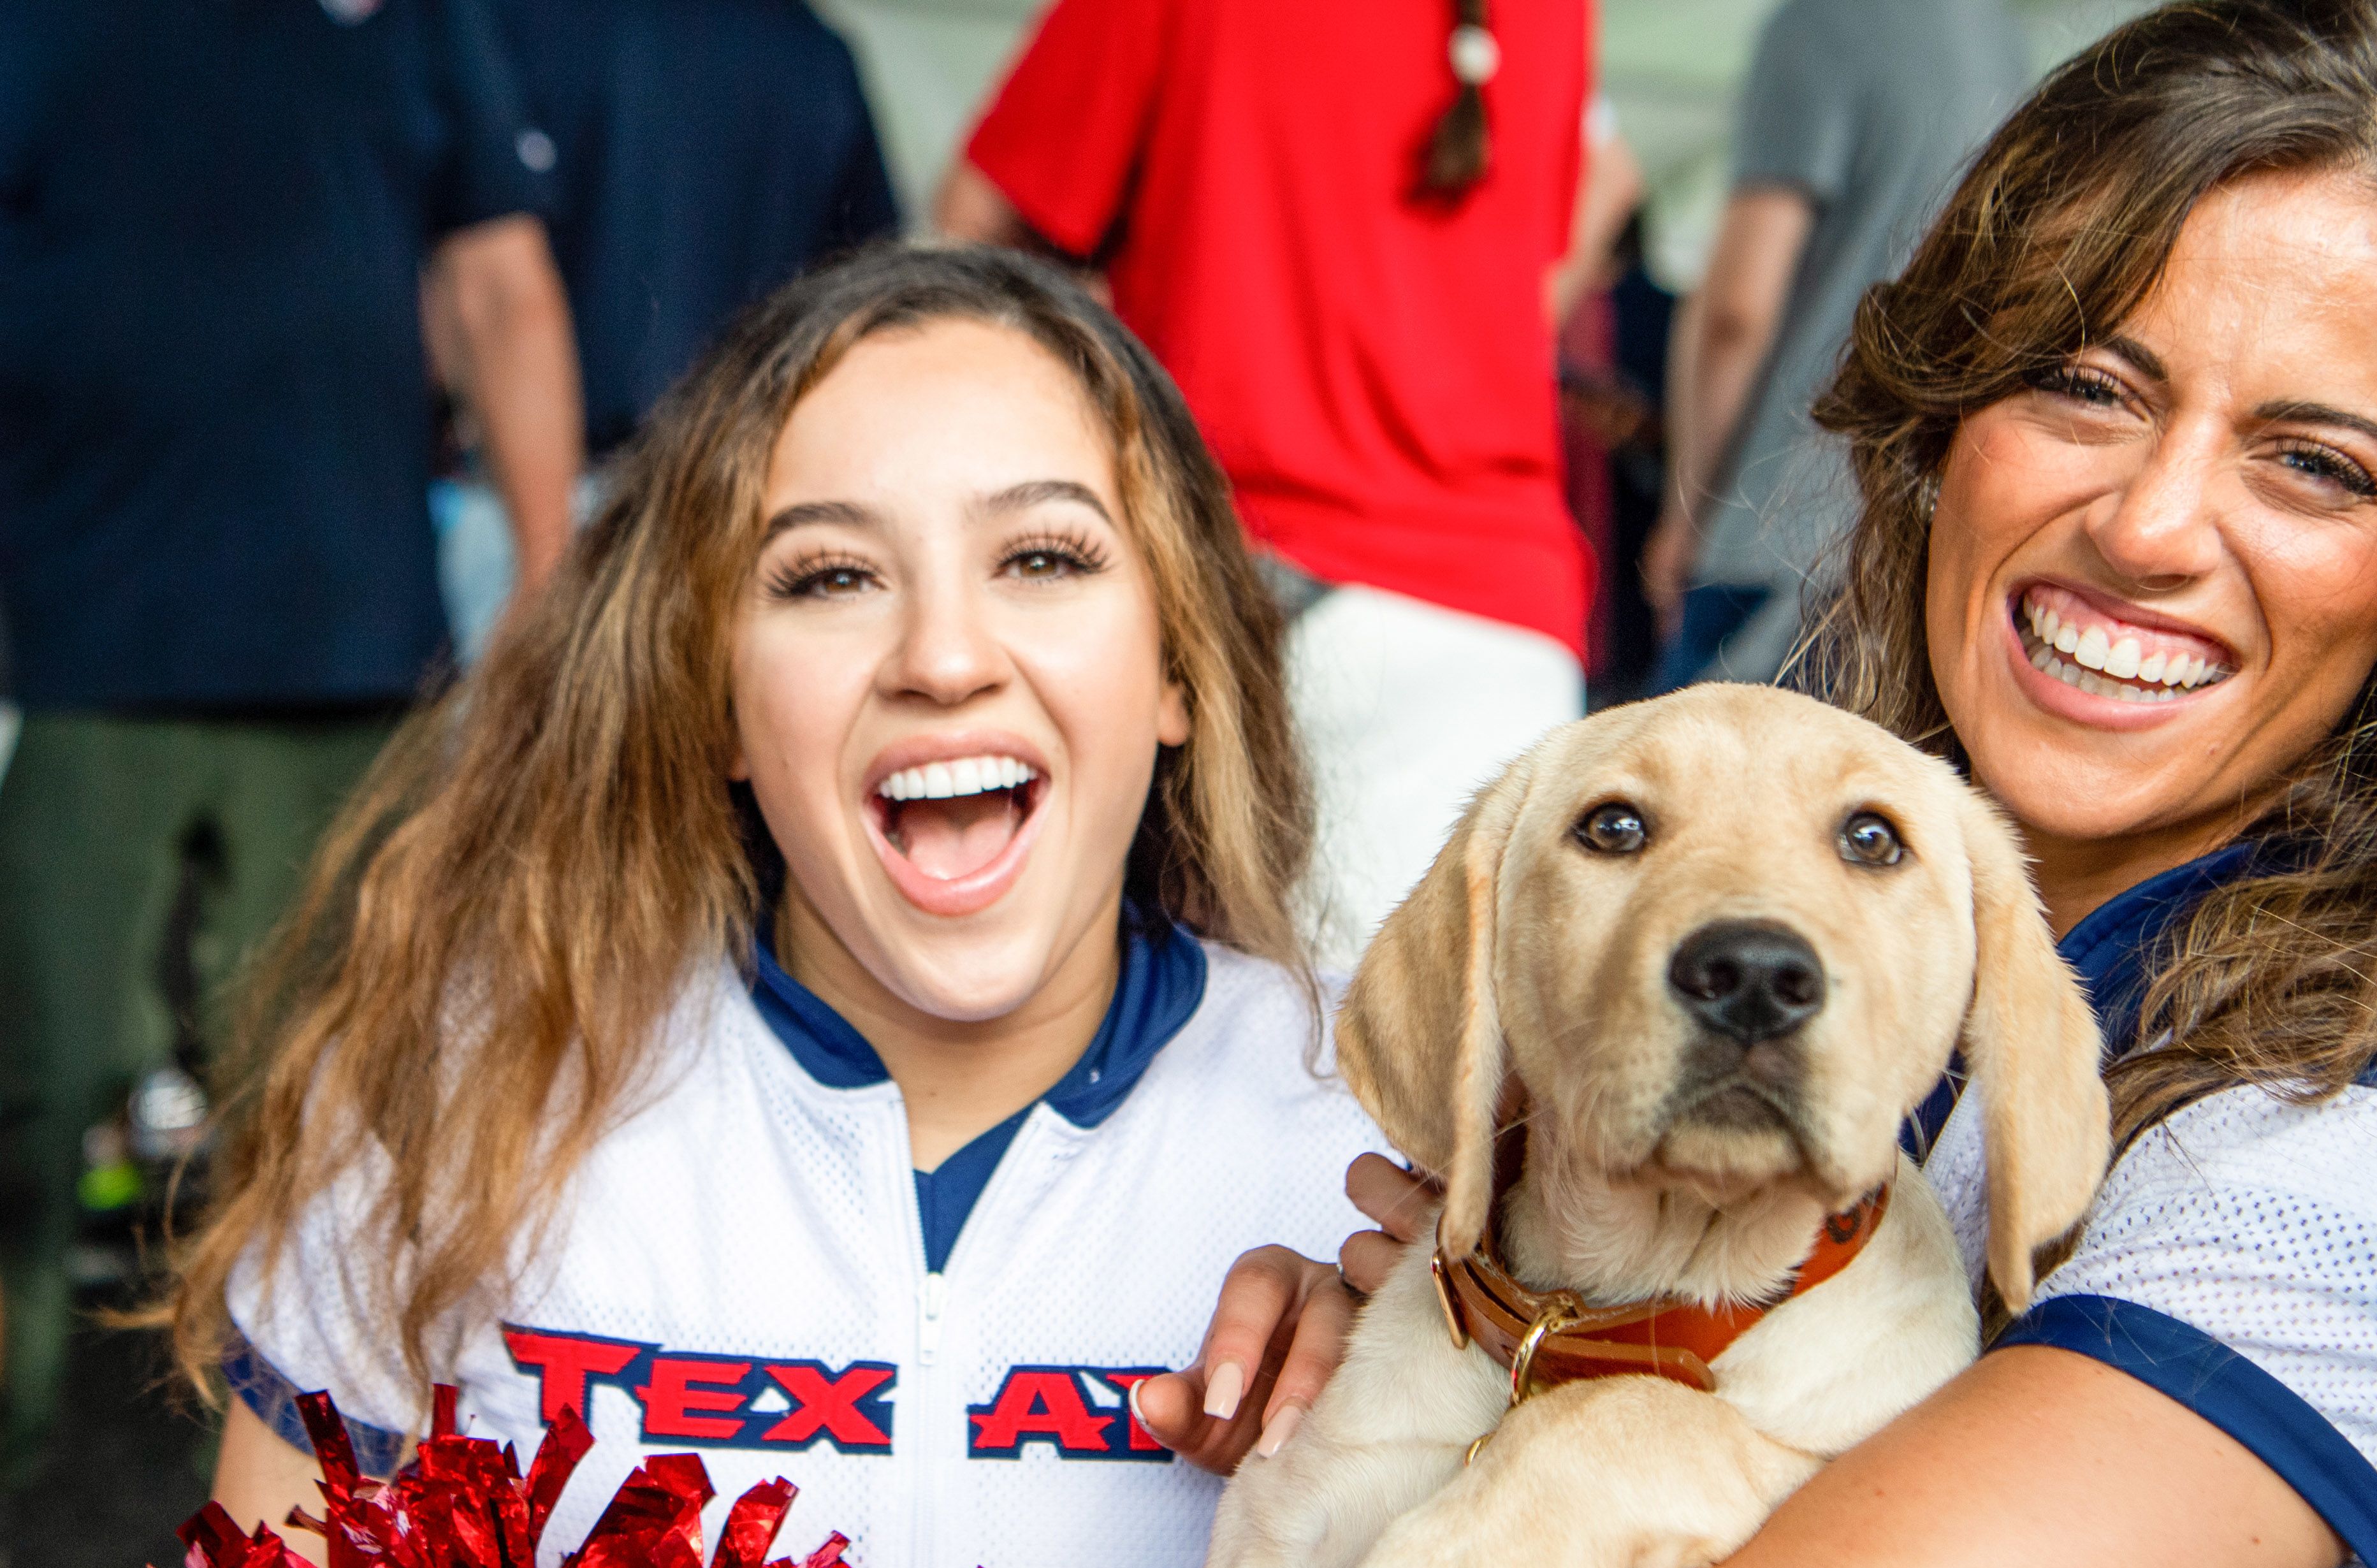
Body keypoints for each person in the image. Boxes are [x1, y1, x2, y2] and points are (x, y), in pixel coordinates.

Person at [1134, 4, 2377, 1568]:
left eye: (2312, 464)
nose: (2146, 525)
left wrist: (1549, 1461)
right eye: (2084, 384)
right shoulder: (1934, 969)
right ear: (1941, 434)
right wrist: (1452, 1354)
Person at [168, 246, 1380, 1568]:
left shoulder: (1390, 1149)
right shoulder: (458, 1094)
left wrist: (1454, 1381)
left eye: (1041, 557)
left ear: (1177, 669)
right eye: (830, 576)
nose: (942, 654)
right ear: (721, 704)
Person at [0, 0, 583, 1481]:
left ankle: (292, 1533)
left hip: (346, 654)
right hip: (83, 650)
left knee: (327, 1117)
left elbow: (501, 281)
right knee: (32, 1086)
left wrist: (543, 585)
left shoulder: (413, 20)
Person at [932, 0, 1612, 965]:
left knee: (1161, 1071)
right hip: (1489, 618)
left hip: (1231, 581)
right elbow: (1542, 261)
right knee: (1423, 1095)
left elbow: (972, 233)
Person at [436, 0, 901, 655]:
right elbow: (869, 305)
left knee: (505, 753)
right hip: (749, 507)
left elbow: (470, 291)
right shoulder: (810, 49)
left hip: (538, 512)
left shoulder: (492, 30)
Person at [1642, 0, 2029, 692]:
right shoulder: (2003, 40)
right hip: (1911, 551)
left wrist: (1688, 508)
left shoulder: (1819, 24)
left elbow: (1736, 308)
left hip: (1772, 544)